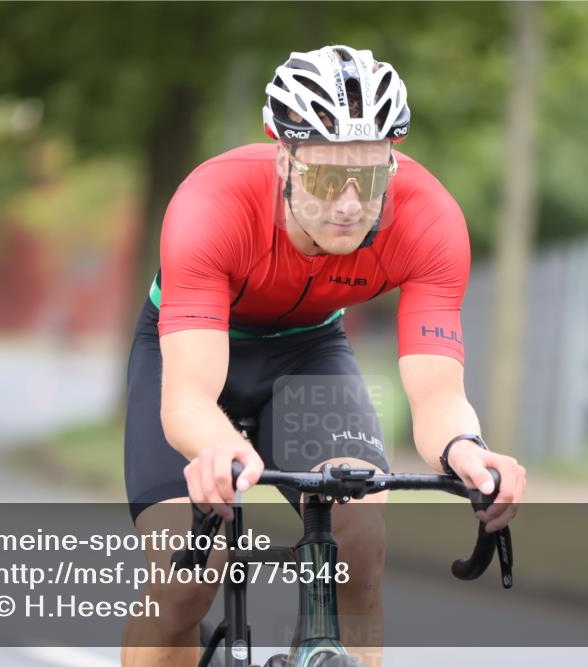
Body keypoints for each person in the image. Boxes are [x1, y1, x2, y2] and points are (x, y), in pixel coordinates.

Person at [121, 44, 526, 667]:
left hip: (307, 352)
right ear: (284, 159)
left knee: (358, 537)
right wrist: (217, 448)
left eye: (370, 179)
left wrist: (466, 450)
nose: (350, 204)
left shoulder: (429, 221)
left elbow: (439, 395)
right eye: (327, 178)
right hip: (192, 348)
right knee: (189, 576)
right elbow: (188, 400)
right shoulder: (211, 204)